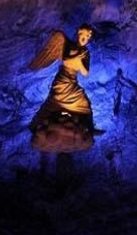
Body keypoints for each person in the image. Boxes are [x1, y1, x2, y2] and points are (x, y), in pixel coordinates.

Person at [28, 24, 99, 153]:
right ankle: (36, 124)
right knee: (55, 99)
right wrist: (76, 60)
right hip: (63, 79)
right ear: (78, 34)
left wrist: (79, 63)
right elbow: (66, 60)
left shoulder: (85, 52)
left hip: (72, 81)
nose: (84, 38)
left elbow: (85, 73)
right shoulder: (70, 45)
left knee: (84, 104)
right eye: (82, 35)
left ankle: (90, 127)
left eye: (87, 37)